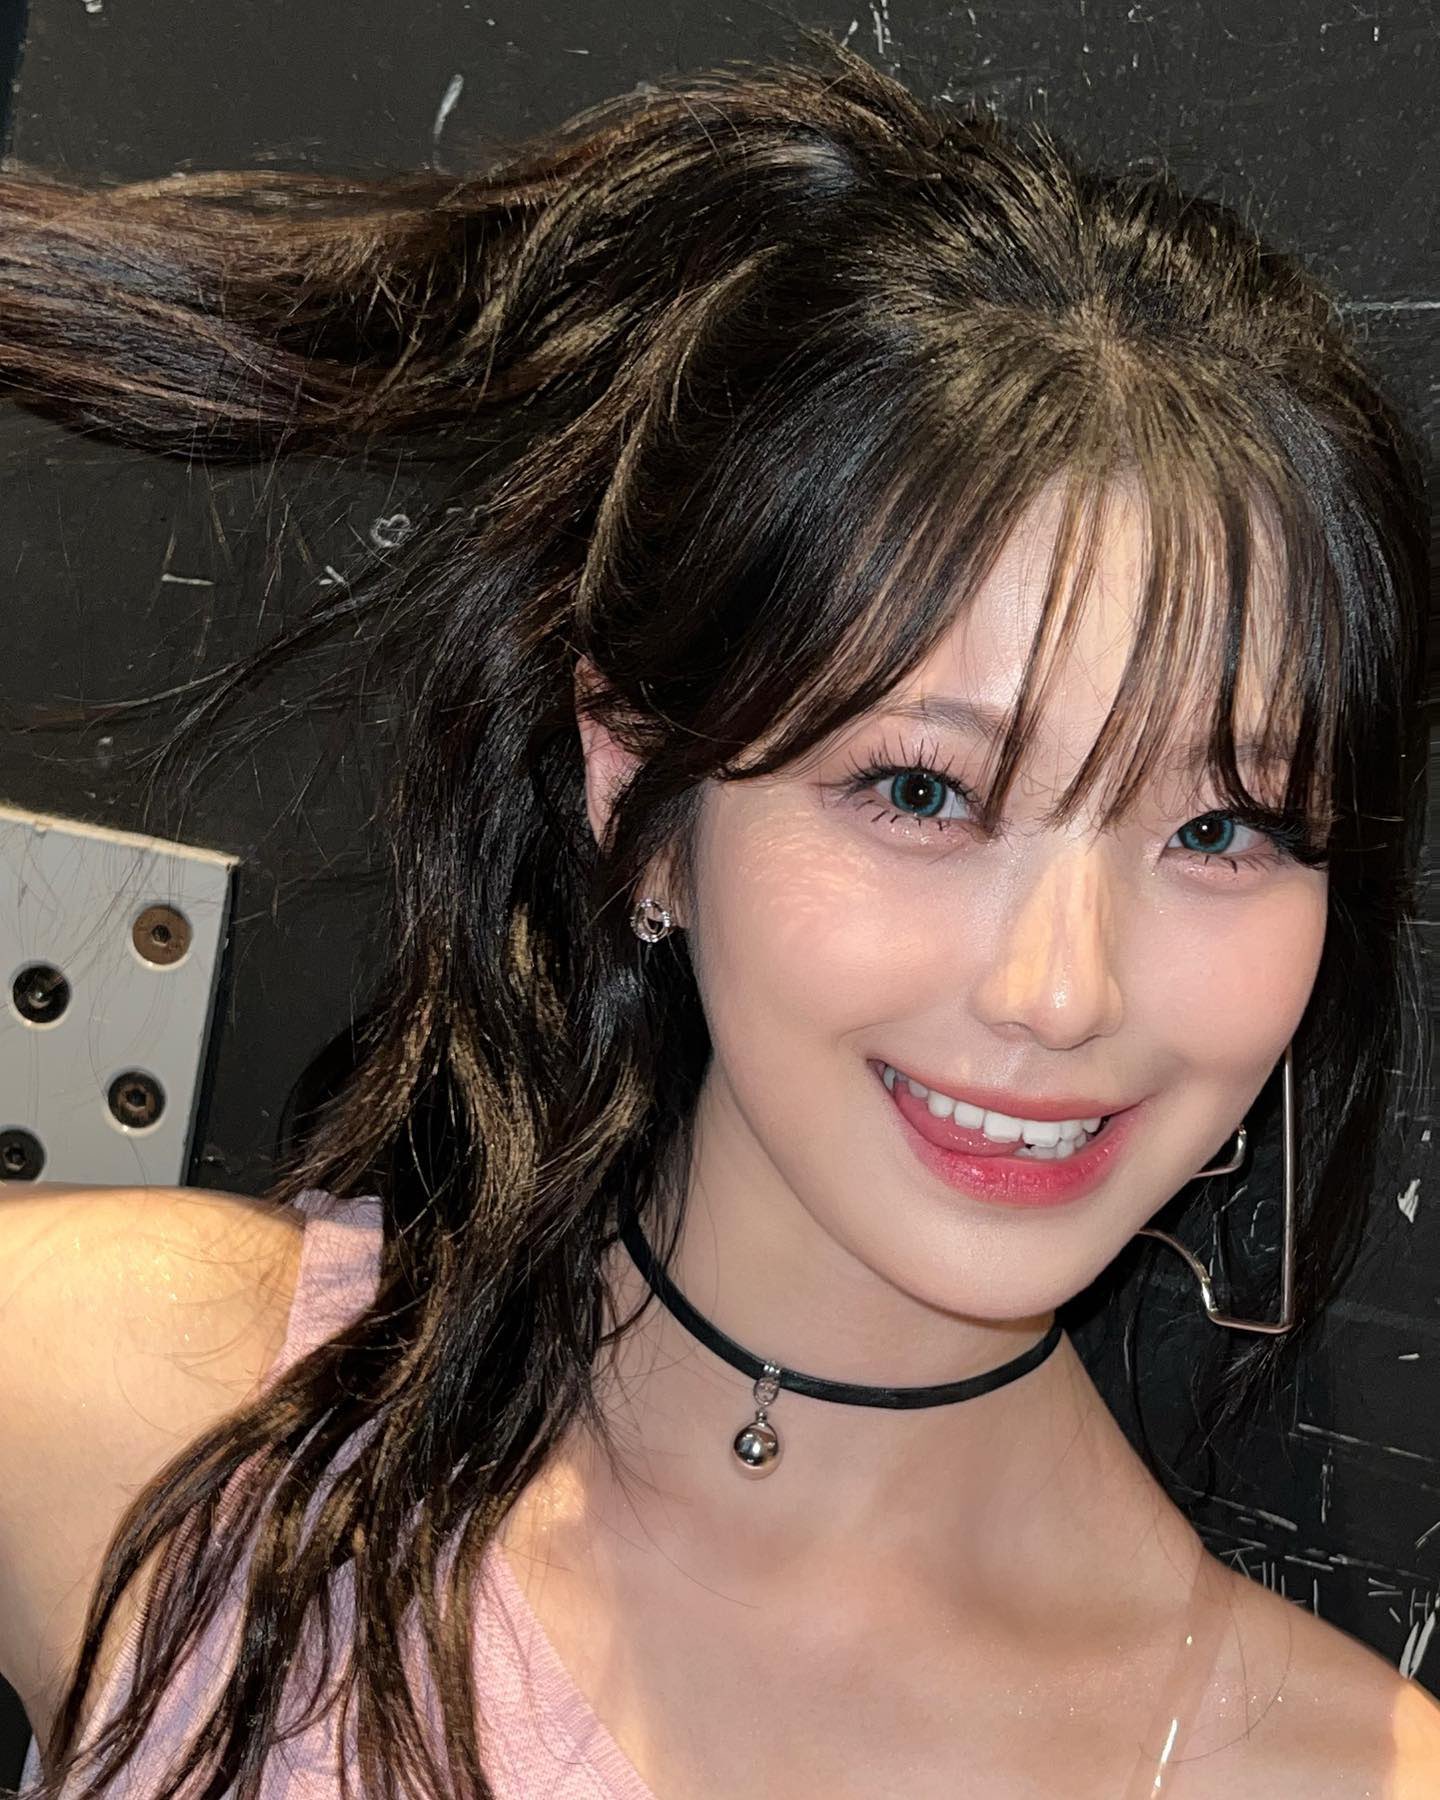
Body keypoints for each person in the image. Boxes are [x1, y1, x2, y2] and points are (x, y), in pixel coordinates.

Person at [0, 29, 1436, 1800]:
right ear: (641, 796)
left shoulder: (1332, 1774)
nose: (1063, 991)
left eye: (1220, 828)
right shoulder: (117, 1402)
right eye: (922, 793)